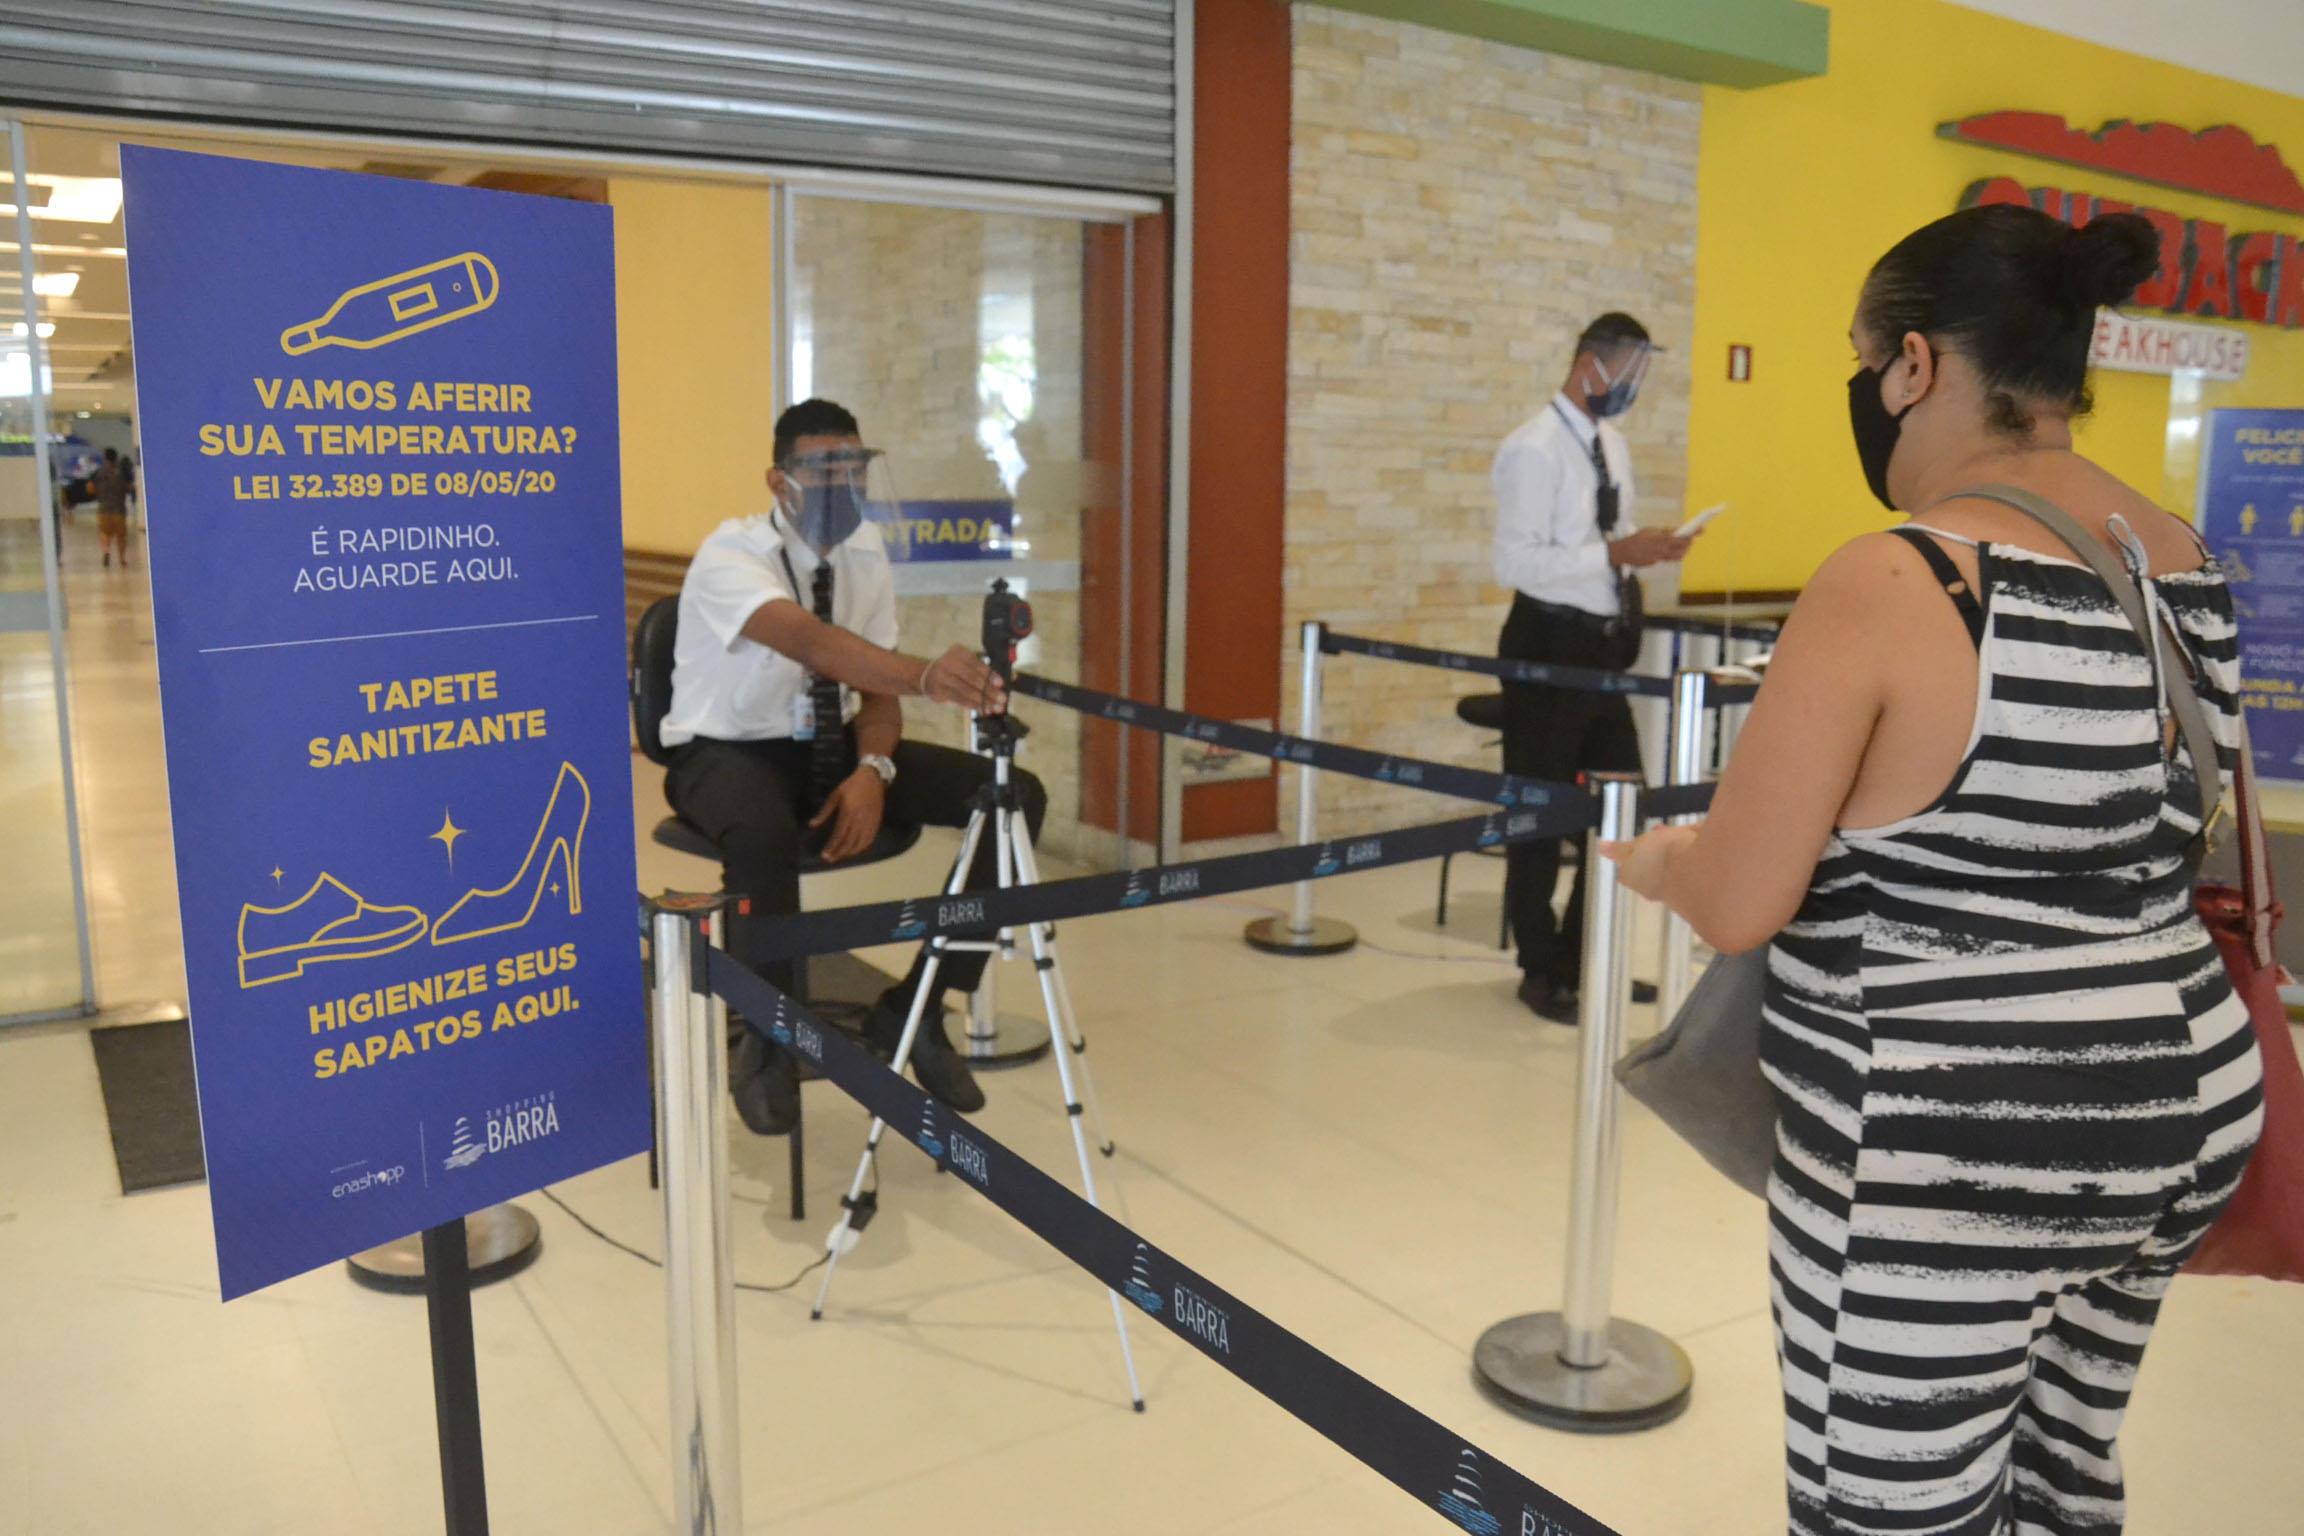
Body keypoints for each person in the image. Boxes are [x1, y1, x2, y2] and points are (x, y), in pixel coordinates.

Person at [1603, 206, 2264, 1536]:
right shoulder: (2174, 554)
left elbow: (1742, 896)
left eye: (1861, 360)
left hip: (1951, 1135)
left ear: (1914, 365)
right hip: (2173, 1107)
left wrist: (1664, 859)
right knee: (2062, 1474)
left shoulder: (1900, 579)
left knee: (1891, 1505)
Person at [661, 398, 1047, 1136]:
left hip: (831, 743)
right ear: (779, 481)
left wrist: (875, 768)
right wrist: (928, 676)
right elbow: (809, 642)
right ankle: (768, 1041)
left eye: (854, 465)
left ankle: (919, 1008)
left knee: (1011, 795)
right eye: (822, 468)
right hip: (722, 746)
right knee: (762, 837)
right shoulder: (730, 554)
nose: (843, 482)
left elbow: (873, 692)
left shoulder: (866, 549)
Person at [1491, 312, 1696, 1024]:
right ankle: (1539, 968)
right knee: (1541, 818)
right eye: (1629, 374)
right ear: (1590, 367)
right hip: (1546, 646)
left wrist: (1649, 550)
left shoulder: (1612, 443)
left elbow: (1610, 537)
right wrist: (1614, 556)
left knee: (1620, 805)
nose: (1634, 388)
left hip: (1604, 648)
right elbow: (1515, 562)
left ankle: (1585, 955)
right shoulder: (1533, 449)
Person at [92, 447, 130, 568]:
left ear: (105, 457)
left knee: (104, 533)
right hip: (119, 509)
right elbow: (129, 487)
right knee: (121, 537)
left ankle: (107, 551)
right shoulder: (122, 472)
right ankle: (122, 559)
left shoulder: (98, 472)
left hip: (104, 508)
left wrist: (100, 492)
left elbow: (90, 488)